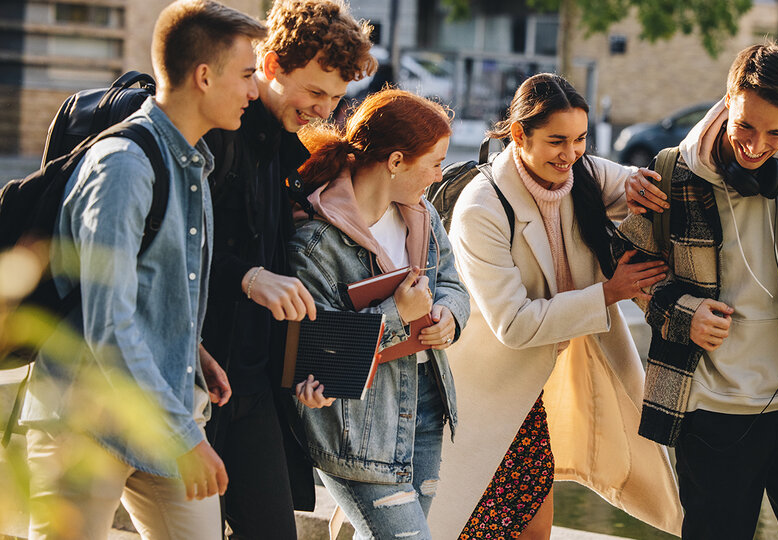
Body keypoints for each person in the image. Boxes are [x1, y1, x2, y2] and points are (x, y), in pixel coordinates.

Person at [19, 1, 266, 538]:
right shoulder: (125, 167)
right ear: (204, 76)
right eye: (247, 75)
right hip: (83, 427)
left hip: (159, 417)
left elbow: (150, 286)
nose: (254, 91)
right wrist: (185, 437)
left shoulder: (194, 164)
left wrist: (191, 351)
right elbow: (108, 323)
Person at [430, 73, 683, 540]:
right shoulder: (481, 208)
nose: (570, 153)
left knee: (535, 528)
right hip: (484, 390)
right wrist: (609, 292)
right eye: (557, 141)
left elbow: (640, 181)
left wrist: (643, 189)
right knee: (474, 525)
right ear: (520, 134)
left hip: (536, 387)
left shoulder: (580, 174)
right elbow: (514, 324)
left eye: (581, 138)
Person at [624, 43, 778, 539]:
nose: (756, 144)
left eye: (777, 132)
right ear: (728, 100)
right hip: (712, 412)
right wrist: (683, 314)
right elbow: (631, 274)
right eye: (745, 125)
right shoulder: (668, 174)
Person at [200, 1, 376, 537]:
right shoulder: (213, 131)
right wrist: (249, 278)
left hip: (250, 384)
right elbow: (175, 253)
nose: (323, 110)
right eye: (315, 92)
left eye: (337, 99)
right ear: (271, 64)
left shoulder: (284, 149)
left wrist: (306, 368)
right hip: (192, 369)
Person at [286, 88, 469, 539]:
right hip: (358, 426)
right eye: (435, 162)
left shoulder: (421, 214)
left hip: (426, 409)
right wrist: (396, 313)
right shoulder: (315, 241)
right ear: (395, 161)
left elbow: (452, 284)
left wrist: (448, 317)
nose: (439, 174)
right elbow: (313, 346)